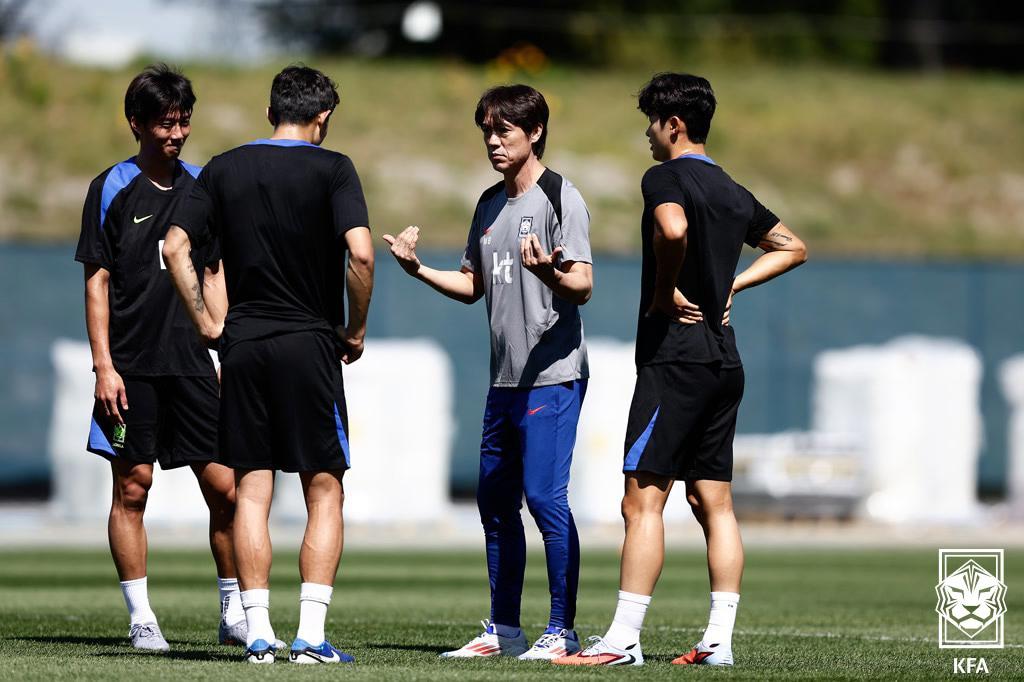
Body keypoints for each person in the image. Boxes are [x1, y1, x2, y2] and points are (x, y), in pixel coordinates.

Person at [553, 73, 808, 667]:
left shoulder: (663, 177)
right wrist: (731, 282)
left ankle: (621, 642)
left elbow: (672, 227)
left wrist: (667, 291)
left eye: (650, 122)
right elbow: (792, 246)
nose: (646, 133)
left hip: (677, 361)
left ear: (673, 124)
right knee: (713, 504)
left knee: (641, 501)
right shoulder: (732, 189)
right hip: (724, 360)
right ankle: (718, 643)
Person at [163, 65, 373, 666]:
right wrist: (355, 329)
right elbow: (360, 253)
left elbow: (175, 246)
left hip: (244, 345)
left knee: (252, 490)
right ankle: (309, 635)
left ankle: (258, 633)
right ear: (323, 117)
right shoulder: (334, 168)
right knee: (324, 488)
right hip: (310, 342)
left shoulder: (223, 167)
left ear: (269, 112)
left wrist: (208, 322)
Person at [384, 84, 593, 661]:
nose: (493, 142)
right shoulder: (488, 203)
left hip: (553, 377)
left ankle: (562, 630)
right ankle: (504, 629)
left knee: (545, 500)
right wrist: (418, 269)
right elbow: (473, 286)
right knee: (494, 504)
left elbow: (583, 284)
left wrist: (550, 272)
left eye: (504, 131)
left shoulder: (561, 197)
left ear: (536, 133)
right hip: (504, 382)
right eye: (487, 132)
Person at [74, 64, 243, 652]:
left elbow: (215, 270)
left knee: (226, 488)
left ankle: (233, 611)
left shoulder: (203, 186)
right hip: (131, 366)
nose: (176, 133)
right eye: (165, 123)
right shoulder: (111, 187)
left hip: (195, 364)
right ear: (136, 124)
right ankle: (142, 618)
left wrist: (224, 347)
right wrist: (104, 367)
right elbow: (97, 282)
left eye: (183, 121)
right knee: (132, 487)